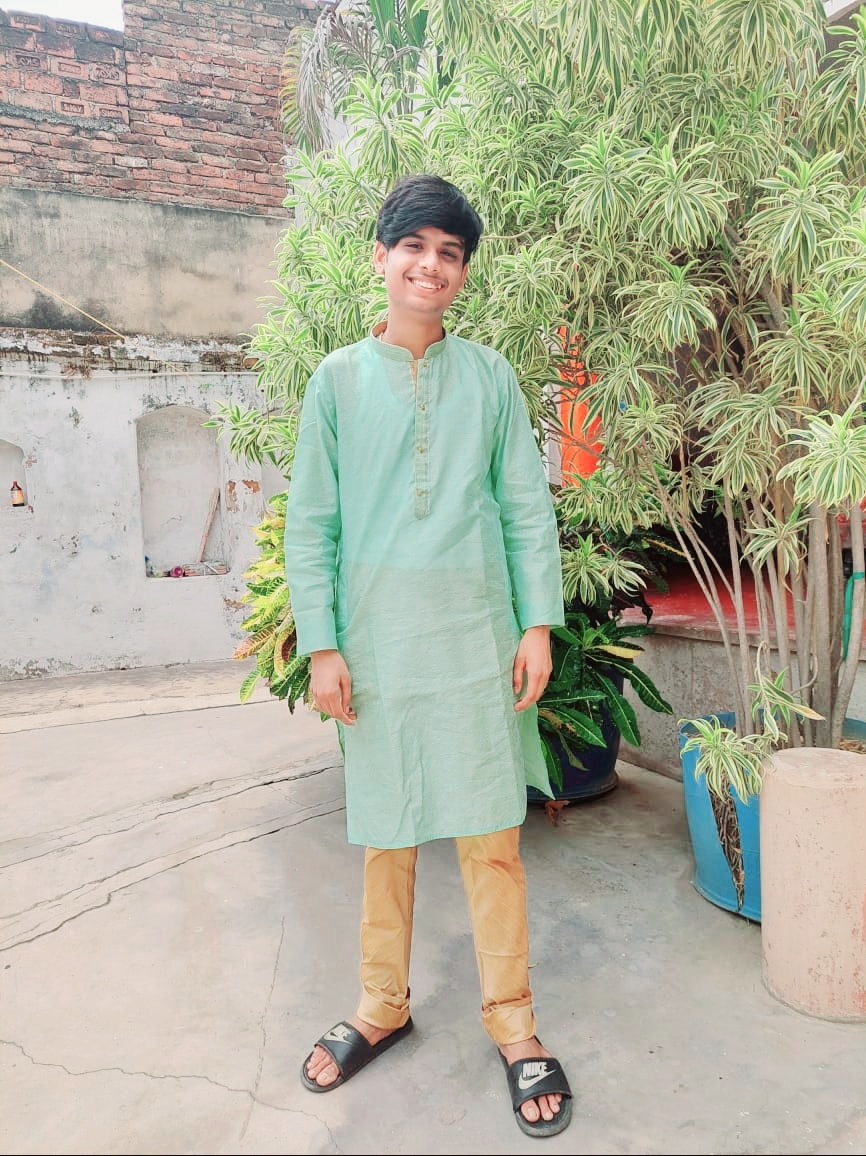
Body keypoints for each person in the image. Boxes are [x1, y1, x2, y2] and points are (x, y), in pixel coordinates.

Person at [284, 174, 572, 1138]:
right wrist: (323, 645)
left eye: (450, 253)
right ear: (381, 256)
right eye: (414, 245)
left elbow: (525, 504)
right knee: (389, 832)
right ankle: (382, 1004)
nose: (430, 265)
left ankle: (513, 1020)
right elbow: (312, 523)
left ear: (462, 272)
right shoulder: (336, 381)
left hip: (476, 634)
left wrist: (537, 623)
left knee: (493, 836)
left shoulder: (490, 377)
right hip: (377, 643)